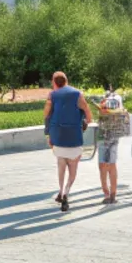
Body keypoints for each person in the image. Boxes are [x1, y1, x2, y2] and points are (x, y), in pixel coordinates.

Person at [43, 71, 92, 211]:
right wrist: (84, 120)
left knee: (61, 167)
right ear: (66, 80)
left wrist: (48, 134)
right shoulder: (77, 94)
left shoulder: (52, 96)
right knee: (73, 170)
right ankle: (66, 192)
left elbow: (46, 115)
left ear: (54, 82)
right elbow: (88, 115)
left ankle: (60, 191)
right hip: (74, 138)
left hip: (58, 137)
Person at [95, 90, 129, 203]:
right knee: (112, 165)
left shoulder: (103, 101)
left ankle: (106, 194)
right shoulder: (118, 101)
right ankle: (113, 194)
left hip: (102, 137)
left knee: (102, 166)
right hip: (115, 135)